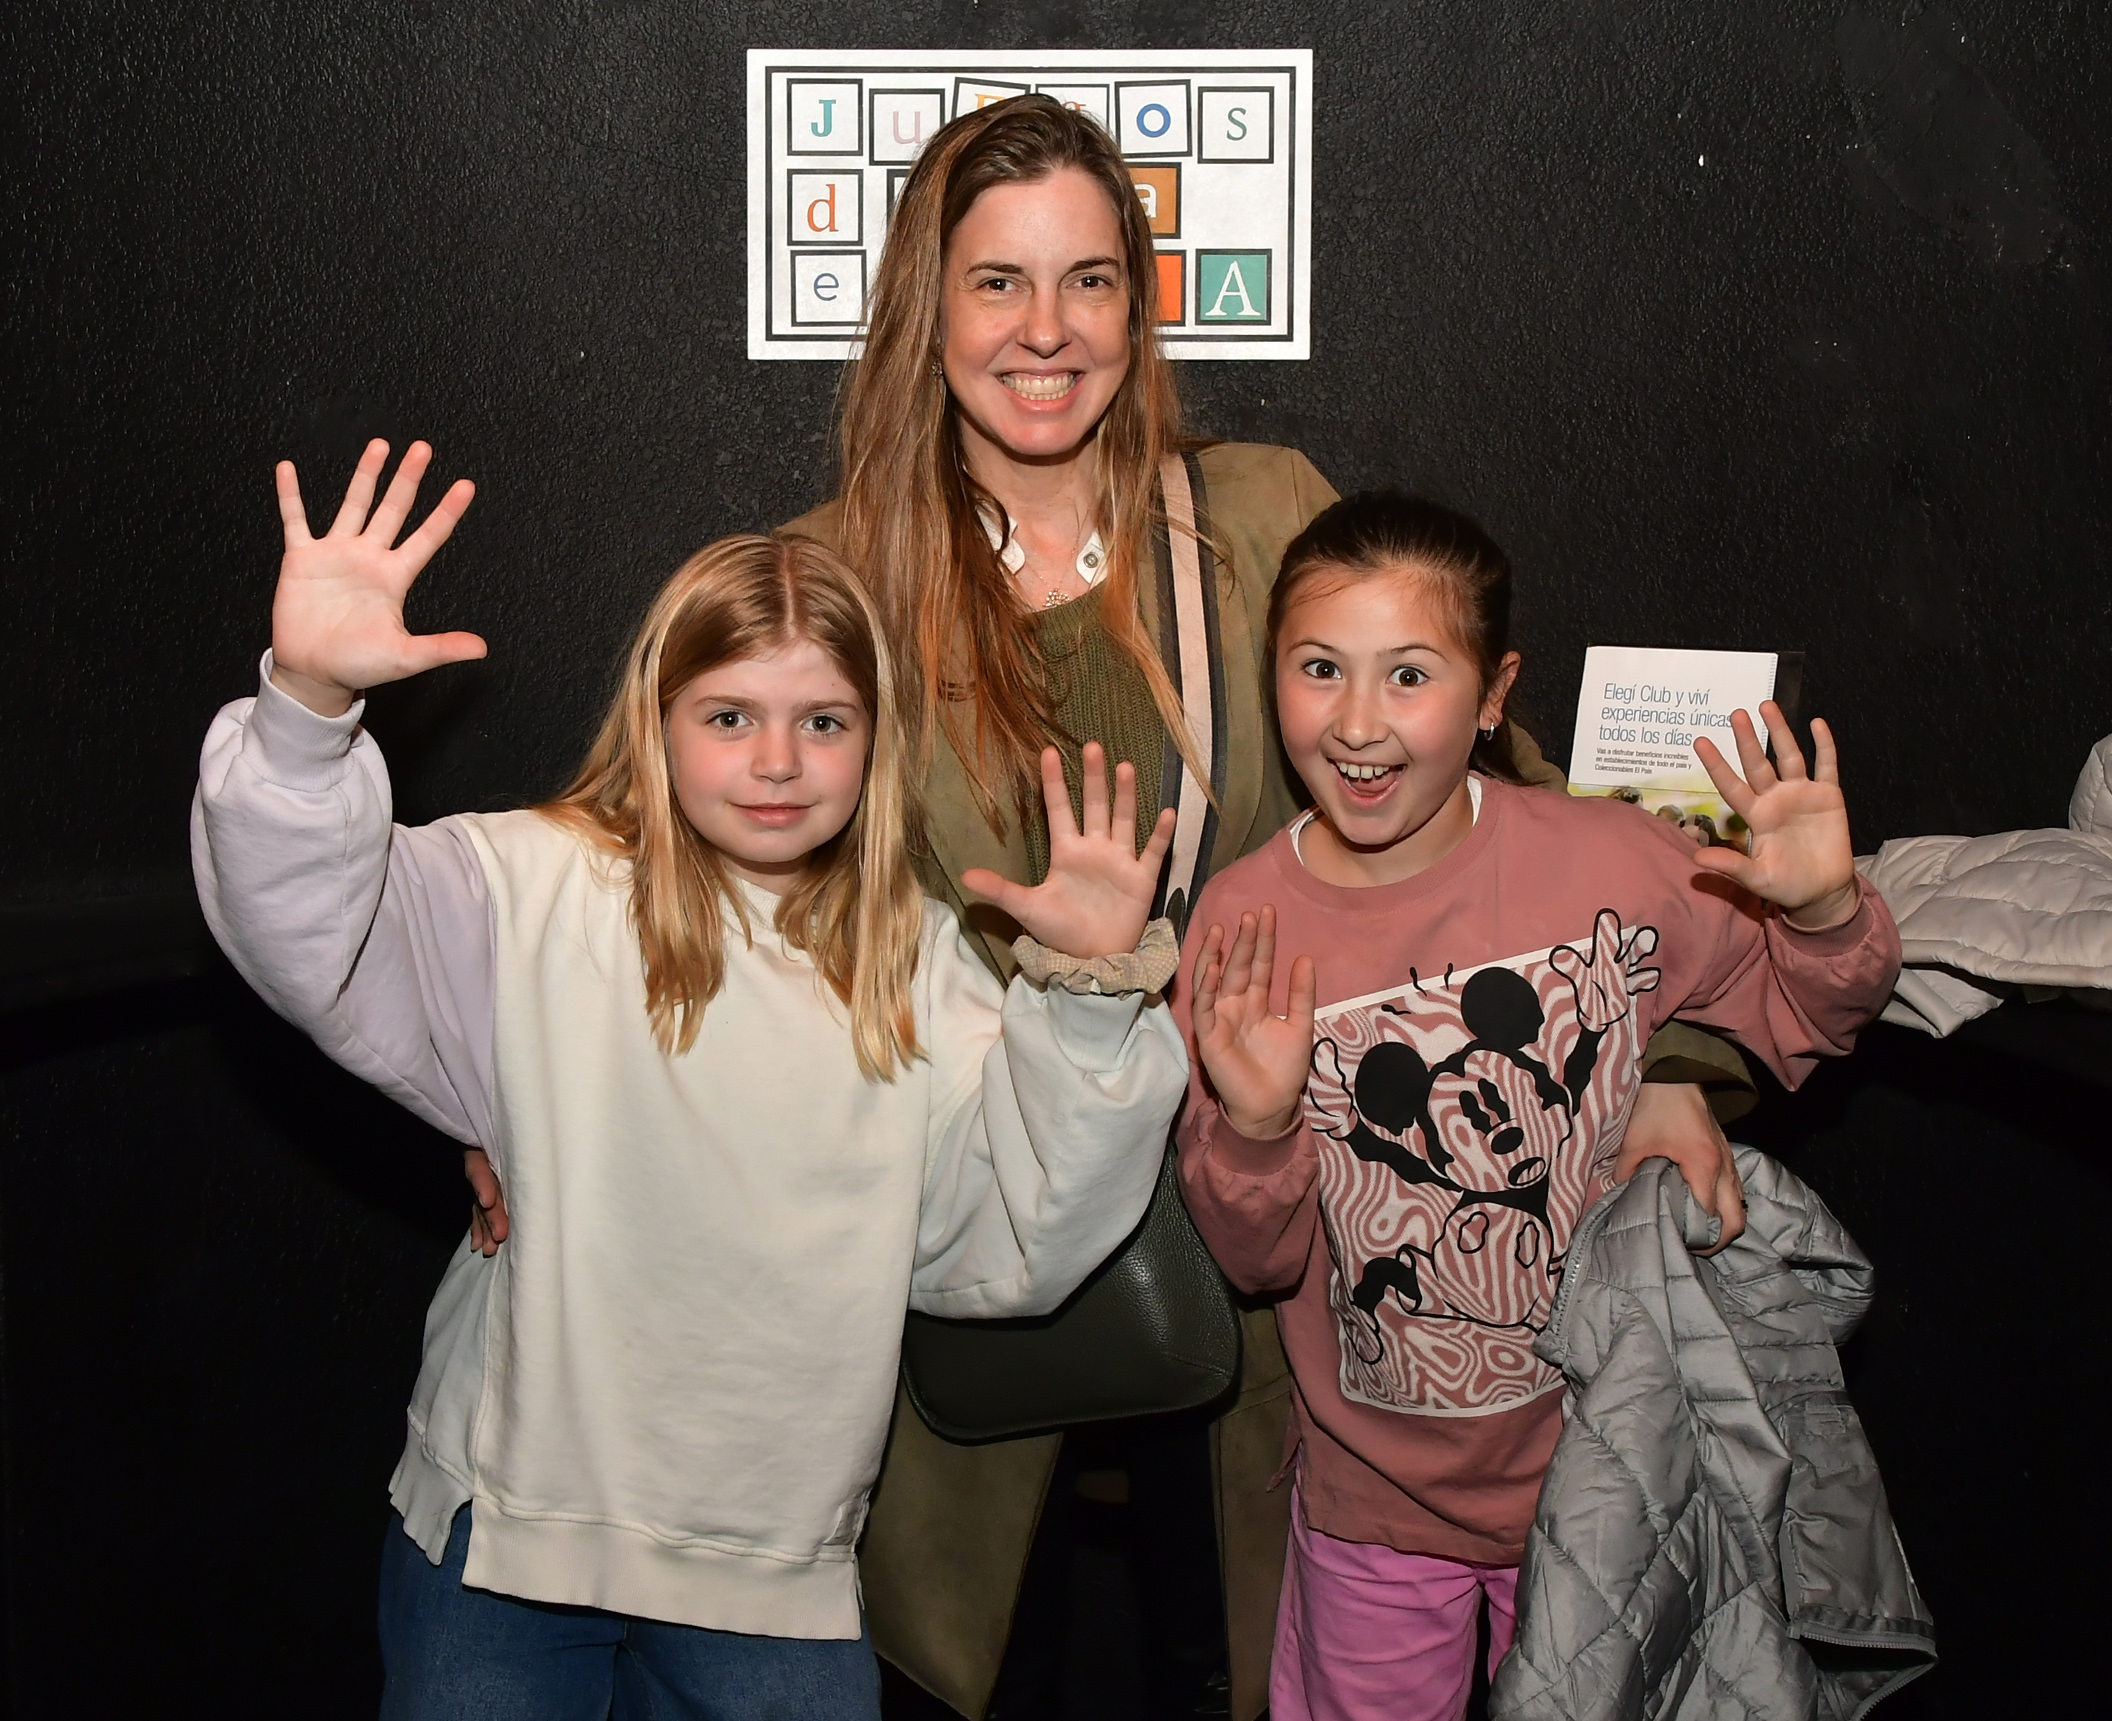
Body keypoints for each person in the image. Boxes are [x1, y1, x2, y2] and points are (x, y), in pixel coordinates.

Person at [458, 94, 1758, 1719]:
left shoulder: (1261, 516)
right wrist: (500, 1078)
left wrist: (1663, 1066)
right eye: (997, 281)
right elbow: (642, 843)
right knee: (975, 1674)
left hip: (1280, 1253)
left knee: (1244, 1662)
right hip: (961, 1260)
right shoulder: (830, 573)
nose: (1045, 329)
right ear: (925, 303)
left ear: (1137, 306)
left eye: (1088, 279)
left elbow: (1522, 824)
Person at [193, 440, 1193, 1719]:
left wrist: (1091, 997)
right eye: (729, 716)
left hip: (769, 1570)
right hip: (506, 1538)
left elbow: (1015, 1232)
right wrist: (306, 711)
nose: (777, 760)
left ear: (875, 739)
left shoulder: (915, 963)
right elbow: (306, 929)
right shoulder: (535, 881)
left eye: (822, 721)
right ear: (657, 720)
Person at [1172, 492, 1900, 1720]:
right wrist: (1253, 1127)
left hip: (1613, 1488)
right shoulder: (1244, 923)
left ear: (1493, 693)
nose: (1357, 721)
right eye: (1318, 667)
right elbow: (1255, 1260)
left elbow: (1805, 1015)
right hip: (1371, 1505)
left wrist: (1826, 913)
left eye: (1409, 673)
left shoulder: (1611, 857)